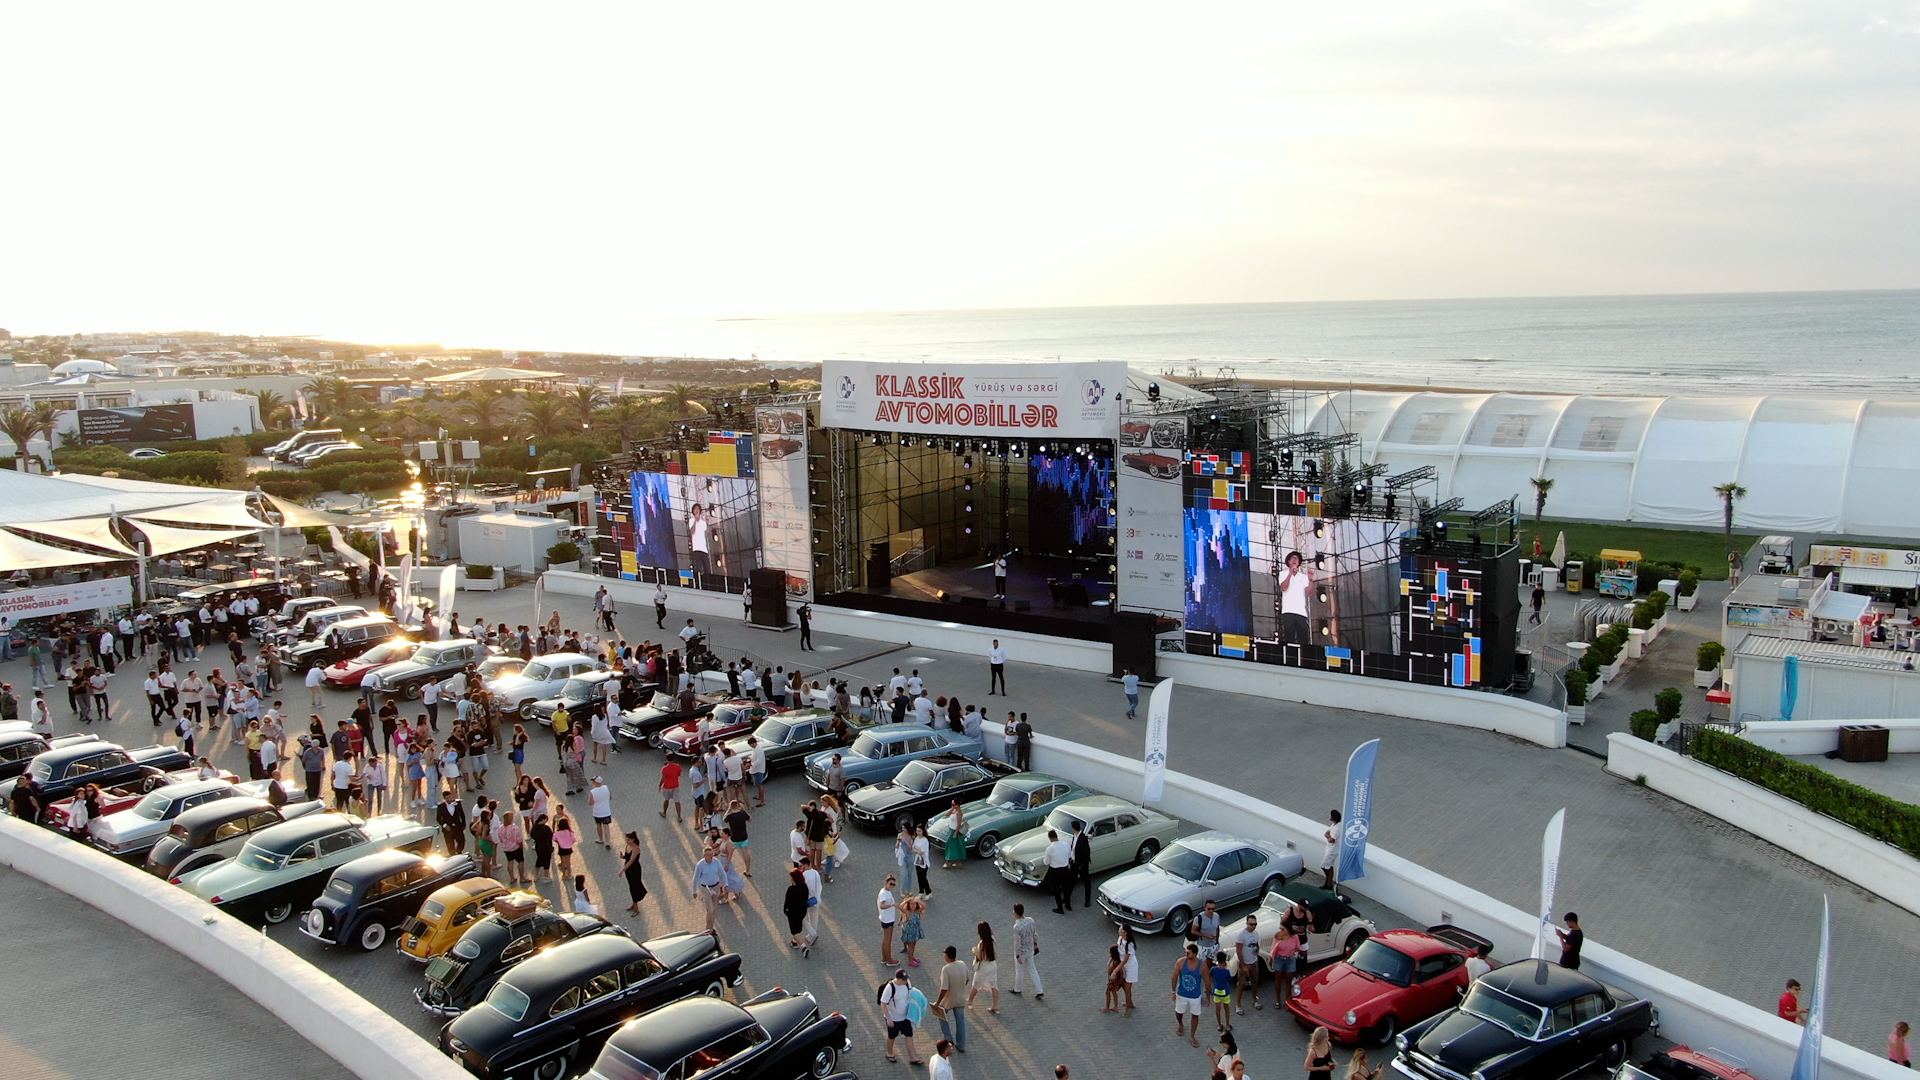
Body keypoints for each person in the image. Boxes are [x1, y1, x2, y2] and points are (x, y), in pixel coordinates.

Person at [881, 969, 922, 1066]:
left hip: (906, 1017)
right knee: (892, 1037)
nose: (906, 980)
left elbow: (910, 995)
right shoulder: (890, 988)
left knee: (909, 1035)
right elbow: (883, 1004)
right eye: (904, 979)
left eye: (906, 978)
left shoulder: (907, 983)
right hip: (894, 1019)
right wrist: (889, 1018)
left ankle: (913, 1058)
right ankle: (889, 1053)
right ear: (898, 979)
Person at [934, 943, 969, 1052]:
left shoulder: (946, 969)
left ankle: (948, 1040)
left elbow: (944, 988)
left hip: (949, 1000)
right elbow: (967, 979)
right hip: (960, 998)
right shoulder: (962, 964)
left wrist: (938, 1002)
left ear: (948, 956)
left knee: (941, 1016)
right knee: (960, 1022)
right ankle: (961, 1045)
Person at [1171, 942, 1206, 1047]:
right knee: (1178, 1013)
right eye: (1186, 952)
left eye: (1188, 953)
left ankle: (1192, 1035)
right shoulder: (1180, 962)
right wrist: (1173, 992)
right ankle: (1180, 1024)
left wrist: (1207, 996)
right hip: (1182, 993)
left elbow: (1207, 981)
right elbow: (1174, 977)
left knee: (1195, 1015)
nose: (1186, 955)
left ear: (1195, 954)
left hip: (1195, 996)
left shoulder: (1202, 965)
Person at [1279, 550, 1313, 645]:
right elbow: (1284, 588)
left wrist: (1310, 580)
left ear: (1298, 563)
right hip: (1288, 611)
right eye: (1293, 558)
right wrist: (1290, 574)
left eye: (1297, 559)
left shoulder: (1303, 577)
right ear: (1289, 562)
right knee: (1289, 638)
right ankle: (1290, 658)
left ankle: (1304, 658)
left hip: (1301, 612)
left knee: (1303, 639)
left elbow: (1309, 593)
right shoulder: (1283, 574)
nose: (1295, 560)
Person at [1011, 903, 1043, 999]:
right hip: (1030, 950)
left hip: (1022, 952)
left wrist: (1017, 955)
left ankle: (1017, 989)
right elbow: (1035, 934)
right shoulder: (1030, 920)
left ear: (1016, 913)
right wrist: (1035, 944)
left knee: (1019, 971)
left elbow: (1017, 943)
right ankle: (1039, 990)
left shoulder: (1017, 927)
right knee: (1032, 970)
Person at [1233, 914, 1263, 1014]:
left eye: (1255, 924)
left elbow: (1257, 945)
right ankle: (1238, 1005)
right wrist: (1243, 965)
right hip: (1244, 963)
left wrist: (1257, 951)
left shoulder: (1256, 934)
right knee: (1241, 984)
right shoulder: (1242, 935)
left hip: (1254, 962)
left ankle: (1255, 1000)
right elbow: (1238, 950)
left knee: (1255, 982)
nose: (1253, 926)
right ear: (1247, 923)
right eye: (1251, 924)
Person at [1042, 828, 1072, 913]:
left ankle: (1060, 908)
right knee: (1066, 888)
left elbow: (1046, 862)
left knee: (1057, 890)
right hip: (1065, 869)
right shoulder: (1066, 844)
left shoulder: (1050, 848)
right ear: (1056, 836)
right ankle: (1068, 905)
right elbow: (1069, 856)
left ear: (1050, 838)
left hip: (1055, 871)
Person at [618, 831, 648, 916]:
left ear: (633, 839)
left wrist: (622, 870)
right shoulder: (628, 846)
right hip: (629, 870)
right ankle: (634, 904)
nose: (627, 841)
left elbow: (631, 861)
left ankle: (636, 909)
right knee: (631, 887)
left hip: (634, 870)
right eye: (626, 839)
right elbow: (627, 857)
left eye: (628, 840)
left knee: (634, 888)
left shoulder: (636, 848)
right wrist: (622, 857)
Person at [782, 867, 811, 950]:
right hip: (802, 911)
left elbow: (787, 901)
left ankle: (804, 947)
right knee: (798, 927)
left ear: (794, 878)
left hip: (793, 913)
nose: (790, 878)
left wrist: (785, 910)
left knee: (794, 931)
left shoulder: (791, 889)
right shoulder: (804, 886)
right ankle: (794, 942)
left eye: (791, 877)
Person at [1068, 819, 1094, 908]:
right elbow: (1073, 849)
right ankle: (1067, 897)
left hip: (1081, 864)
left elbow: (1087, 852)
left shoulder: (1083, 838)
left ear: (1074, 828)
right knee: (1071, 881)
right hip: (1074, 863)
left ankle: (1087, 900)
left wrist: (1081, 864)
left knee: (1086, 881)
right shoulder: (1074, 836)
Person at [436, 788, 468, 854]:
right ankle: (453, 856)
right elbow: (438, 818)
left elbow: (462, 814)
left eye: (450, 797)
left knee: (462, 841)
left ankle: (459, 851)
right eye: (447, 798)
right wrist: (444, 825)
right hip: (448, 829)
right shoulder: (441, 807)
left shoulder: (457, 803)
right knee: (450, 845)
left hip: (458, 827)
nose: (449, 799)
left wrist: (463, 824)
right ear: (444, 799)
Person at [1208, 951, 1234, 1031]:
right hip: (1225, 992)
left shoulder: (1213, 969)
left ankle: (1219, 1025)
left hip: (1216, 992)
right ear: (1225, 960)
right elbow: (1229, 979)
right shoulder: (1227, 971)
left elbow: (1210, 976)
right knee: (1227, 1008)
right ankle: (1227, 1025)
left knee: (1218, 1009)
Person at [900, 892, 927, 968]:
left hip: (915, 931)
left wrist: (918, 900)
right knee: (910, 946)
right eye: (911, 904)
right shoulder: (907, 912)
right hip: (910, 932)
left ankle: (912, 957)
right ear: (908, 905)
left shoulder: (917, 911)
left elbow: (925, 906)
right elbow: (901, 906)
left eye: (914, 904)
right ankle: (910, 960)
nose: (913, 906)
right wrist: (907, 900)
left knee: (914, 945)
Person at [878, 875, 900, 965]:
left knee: (885, 940)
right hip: (887, 920)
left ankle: (884, 958)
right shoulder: (884, 893)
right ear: (886, 883)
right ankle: (889, 960)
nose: (892, 886)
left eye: (893, 885)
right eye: (890, 884)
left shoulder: (886, 891)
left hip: (886, 919)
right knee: (888, 941)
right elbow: (881, 906)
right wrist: (892, 905)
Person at [588, 775, 613, 847]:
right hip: (606, 811)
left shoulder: (592, 792)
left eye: (593, 782)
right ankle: (607, 841)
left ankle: (601, 839)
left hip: (597, 812)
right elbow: (610, 797)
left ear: (596, 782)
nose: (592, 783)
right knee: (606, 826)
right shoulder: (606, 788)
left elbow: (590, 803)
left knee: (598, 825)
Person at [554, 812, 578, 883]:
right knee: (568, 862)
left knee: (563, 862)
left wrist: (559, 842)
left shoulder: (557, 833)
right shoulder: (570, 832)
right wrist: (569, 843)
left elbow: (554, 838)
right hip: (568, 848)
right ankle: (569, 874)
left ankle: (564, 875)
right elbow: (574, 840)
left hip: (561, 848)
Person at [1321, 809, 1342, 889]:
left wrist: (1328, 836)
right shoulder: (1334, 824)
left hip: (1332, 850)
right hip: (1330, 849)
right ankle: (1328, 883)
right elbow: (1326, 833)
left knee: (1323, 865)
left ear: (1333, 818)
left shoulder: (1337, 829)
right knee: (1329, 866)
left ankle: (1329, 881)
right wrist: (1328, 836)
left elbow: (1331, 840)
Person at [942, 800, 968, 868]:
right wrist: (952, 808)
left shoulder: (959, 813)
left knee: (949, 845)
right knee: (955, 846)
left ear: (957, 805)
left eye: (953, 804)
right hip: (951, 829)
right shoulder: (954, 810)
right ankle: (957, 862)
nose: (952, 806)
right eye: (952, 804)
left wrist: (955, 833)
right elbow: (946, 814)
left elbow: (959, 824)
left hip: (954, 831)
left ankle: (947, 862)